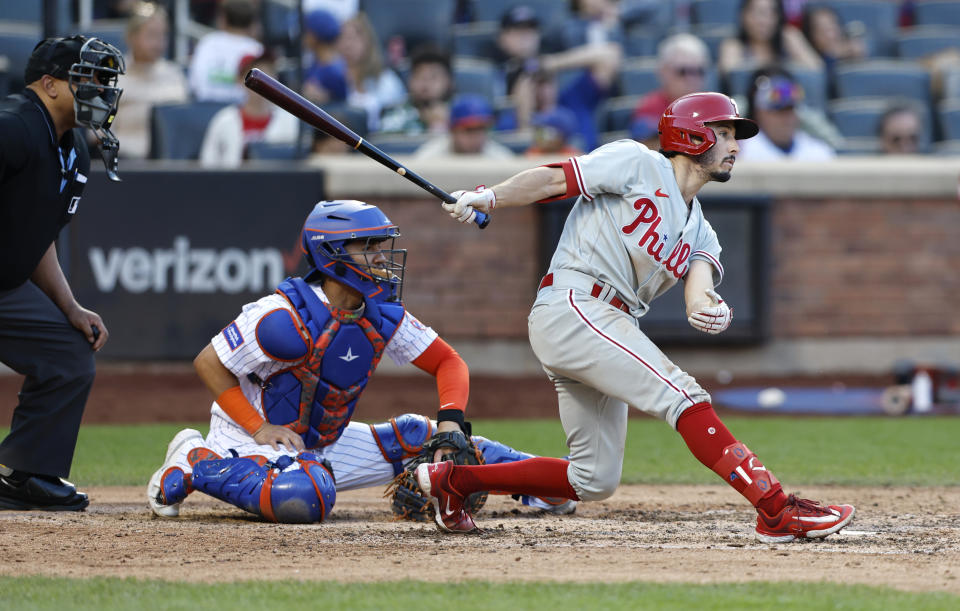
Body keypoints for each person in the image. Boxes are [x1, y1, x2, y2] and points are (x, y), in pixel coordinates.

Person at [416, 91, 856, 543]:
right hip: (575, 305)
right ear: (692, 134)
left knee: (594, 480)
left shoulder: (702, 228)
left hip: (609, 322)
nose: (734, 146)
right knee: (683, 395)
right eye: (723, 133)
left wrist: (710, 309)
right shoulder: (637, 162)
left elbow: (698, 290)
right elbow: (553, 180)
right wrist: (489, 197)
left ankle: (455, 483)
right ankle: (776, 509)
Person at [146, 200, 574, 522]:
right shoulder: (281, 317)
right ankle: (195, 458)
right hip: (247, 439)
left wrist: (450, 425)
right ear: (330, 253)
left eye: (381, 245)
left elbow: (450, 363)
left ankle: (531, 484)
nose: (381, 256)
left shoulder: (381, 313)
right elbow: (208, 361)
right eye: (367, 246)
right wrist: (259, 428)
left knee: (419, 436)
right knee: (306, 496)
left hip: (324, 444)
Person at [0, 35, 125, 511]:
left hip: (6, 286)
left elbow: (37, 237)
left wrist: (69, 306)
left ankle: (25, 474)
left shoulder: (72, 146)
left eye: (104, 83)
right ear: (50, 84)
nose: (102, 93)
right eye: (89, 80)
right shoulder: (11, 127)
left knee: (68, 354)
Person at [494, 4, 622, 150]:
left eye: (546, 80)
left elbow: (610, 54)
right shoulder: (510, 120)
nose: (543, 88)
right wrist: (524, 115)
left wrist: (550, 64)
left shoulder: (574, 99)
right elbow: (523, 155)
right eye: (535, 82)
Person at [112, 1, 189, 159]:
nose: (158, 43)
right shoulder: (113, 78)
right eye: (152, 35)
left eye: (163, 35)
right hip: (124, 161)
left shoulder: (175, 75)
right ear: (131, 37)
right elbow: (98, 134)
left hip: (168, 163)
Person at [198, 52, 300, 168]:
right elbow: (207, 166)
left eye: (268, 75)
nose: (263, 83)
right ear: (240, 80)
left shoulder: (289, 120)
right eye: (256, 77)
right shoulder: (223, 120)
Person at [629, 33, 711, 148]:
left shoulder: (713, 108)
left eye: (699, 71)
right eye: (683, 71)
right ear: (663, 72)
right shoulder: (649, 108)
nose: (692, 78)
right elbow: (649, 150)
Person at [737, 66, 834, 162]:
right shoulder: (740, 153)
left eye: (790, 108)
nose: (787, 118)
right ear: (757, 112)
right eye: (778, 110)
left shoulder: (818, 151)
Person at [337, 13, 406, 132]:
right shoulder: (330, 80)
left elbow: (398, 120)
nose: (347, 45)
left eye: (353, 38)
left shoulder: (387, 81)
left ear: (367, 41)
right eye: (341, 38)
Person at [718, 0, 822, 76]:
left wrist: (792, 39)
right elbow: (730, 76)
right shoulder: (733, 45)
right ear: (743, 16)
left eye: (771, 13)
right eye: (757, 12)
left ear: (779, 17)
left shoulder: (788, 38)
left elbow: (817, 70)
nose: (763, 21)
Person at [187, 0, 263, 103]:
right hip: (230, 110)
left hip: (206, 111)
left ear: (223, 19)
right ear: (251, 23)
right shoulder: (257, 49)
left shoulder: (208, 42)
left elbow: (194, 85)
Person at [379, 45, 454, 135]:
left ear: (448, 81)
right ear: (410, 80)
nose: (426, 82)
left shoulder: (460, 111)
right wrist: (423, 117)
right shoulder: (395, 112)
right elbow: (385, 143)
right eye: (420, 75)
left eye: (433, 77)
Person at [412, 94, 514, 159]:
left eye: (481, 129)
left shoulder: (500, 158)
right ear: (452, 130)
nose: (476, 137)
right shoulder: (430, 156)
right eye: (469, 130)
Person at [301, 8, 349, 105]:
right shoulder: (316, 63)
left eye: (306, 31)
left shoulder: (335, 71)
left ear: (314, 35)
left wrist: (326, 99)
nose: (304, 36)